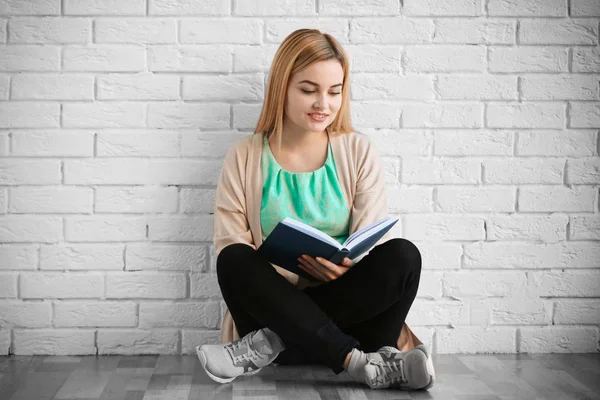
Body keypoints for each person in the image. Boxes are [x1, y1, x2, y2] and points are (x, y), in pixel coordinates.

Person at [196, 28, 435, 390]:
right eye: (309, 90)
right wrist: (291, 288)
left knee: (404, 255)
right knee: (233, 258)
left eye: (334, 92)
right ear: (282, 89)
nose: (323, 103)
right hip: (273, 313)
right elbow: (232, 243)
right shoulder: (244, 155)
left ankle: (268, 345)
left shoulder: (358, 151)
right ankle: (361, 364)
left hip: (348, 322)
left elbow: (368, 244)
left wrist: (342, 270)